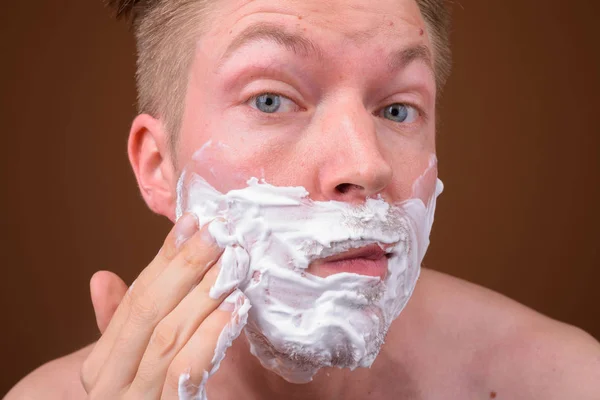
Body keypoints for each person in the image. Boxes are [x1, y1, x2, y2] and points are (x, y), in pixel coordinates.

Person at [6, 0, 600, 398]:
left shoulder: (566, 382)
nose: (366, 165)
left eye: (397, 109)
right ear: (159, 167)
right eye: (270, 99)